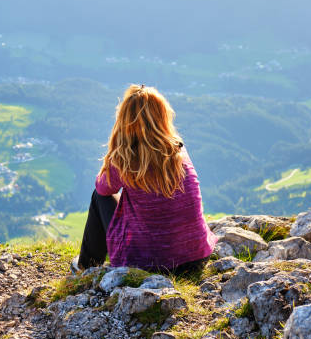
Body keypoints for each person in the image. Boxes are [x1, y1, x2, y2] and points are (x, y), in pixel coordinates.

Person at [73, 84, 217, 273]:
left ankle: (87, 265)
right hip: (196, 257)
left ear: (125, 120)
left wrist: (116, 148)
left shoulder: (125, 159)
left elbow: (102, 188)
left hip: (150, 265)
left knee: (99, 197)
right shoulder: (178, 150)